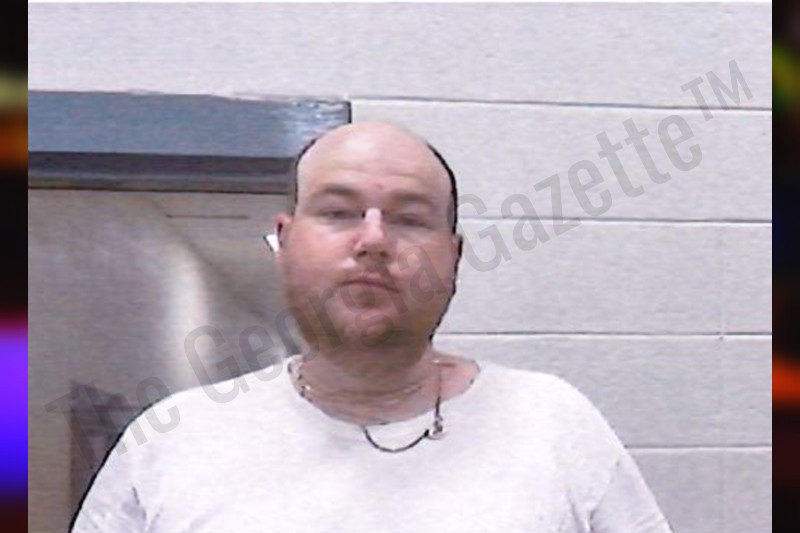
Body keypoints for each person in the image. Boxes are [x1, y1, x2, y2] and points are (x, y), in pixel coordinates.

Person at [71, 121, 672, 532]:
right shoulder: (171, 443)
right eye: (338, 212)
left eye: (409, 219)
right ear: (285, 240)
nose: (374, 240)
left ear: (454, 256)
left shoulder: (554, 425)